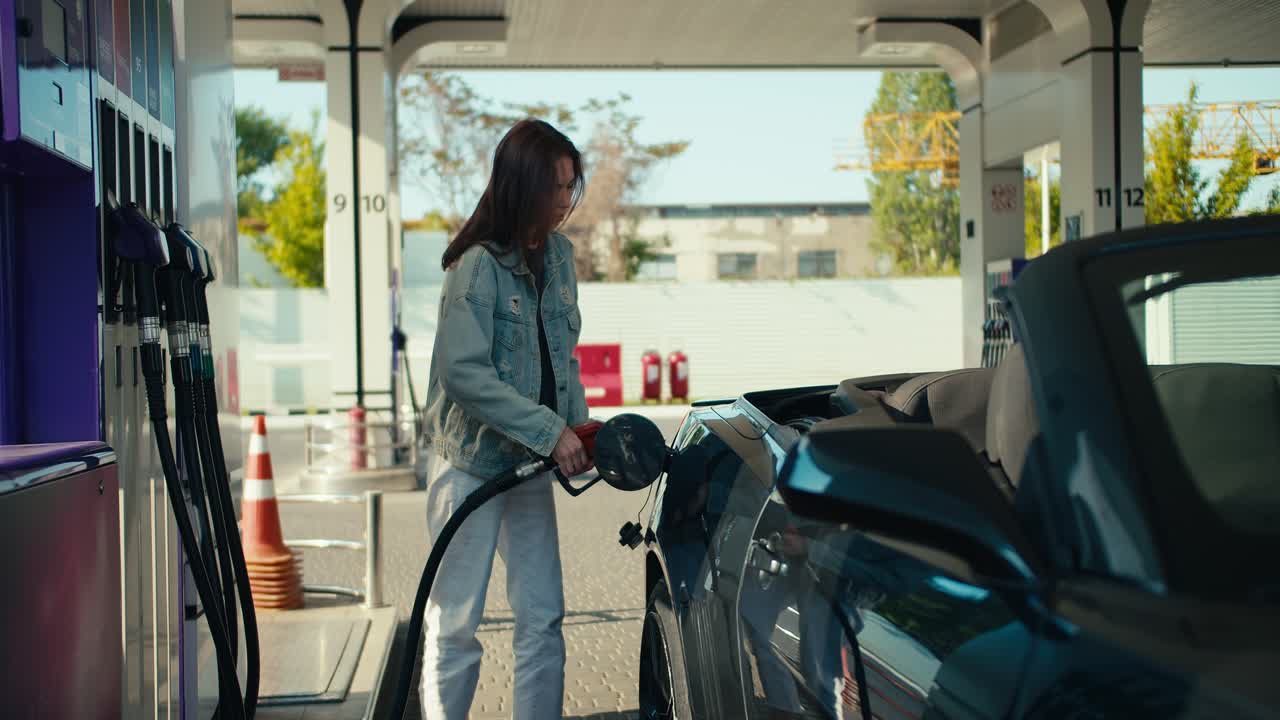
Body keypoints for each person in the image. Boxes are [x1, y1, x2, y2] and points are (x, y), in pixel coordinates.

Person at [418, 118, 594, 719]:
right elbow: (465, 375)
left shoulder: (561, 256)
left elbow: (559, 357)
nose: (567, 200)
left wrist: (584, 432)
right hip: (469, 465)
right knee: (457, 621)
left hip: (528, 462)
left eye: (573, 185)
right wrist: (552, 432)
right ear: (524, 187)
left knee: (543, 615)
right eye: (558, 187)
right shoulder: (476, 266)